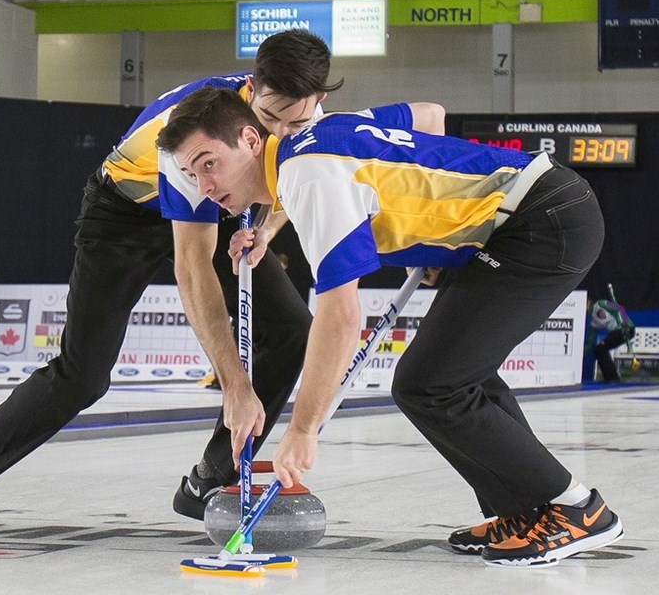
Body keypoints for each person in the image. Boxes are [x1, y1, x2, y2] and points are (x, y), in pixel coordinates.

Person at [155, 86, 624, 567]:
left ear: (252, 140)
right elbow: (419, 129)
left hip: (541, 221)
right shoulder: (302, 155)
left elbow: (340, 317)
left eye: (209, 163)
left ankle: (579, 509)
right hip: (522, 217)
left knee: (430, 385)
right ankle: (527, 511)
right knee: (460, 374)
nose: (204, 187)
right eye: (192, 174)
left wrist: (303, 428)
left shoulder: (305, 176)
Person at [0, 30, 332, 530]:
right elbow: (192, 267)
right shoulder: (195, 133)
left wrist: (267, 229)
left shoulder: (300, 113)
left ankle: (210, 478)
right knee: (83, 375)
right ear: (251, 88)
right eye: (270, 117)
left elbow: (286, 175)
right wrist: (233, 385)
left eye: (297, 119)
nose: (281, 128)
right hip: (125, 211)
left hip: (221, 200)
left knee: (293, 329)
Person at [588, 296, 635, 382]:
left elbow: (620, 308)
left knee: (600, 349)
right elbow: (590, 341)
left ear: (589, 301)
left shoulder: (600, 304)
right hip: (617, 332)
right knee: (599, 350)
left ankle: (612, 377)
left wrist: (624, 324)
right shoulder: (593, 320)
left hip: (626, 329)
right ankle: (612, 377)